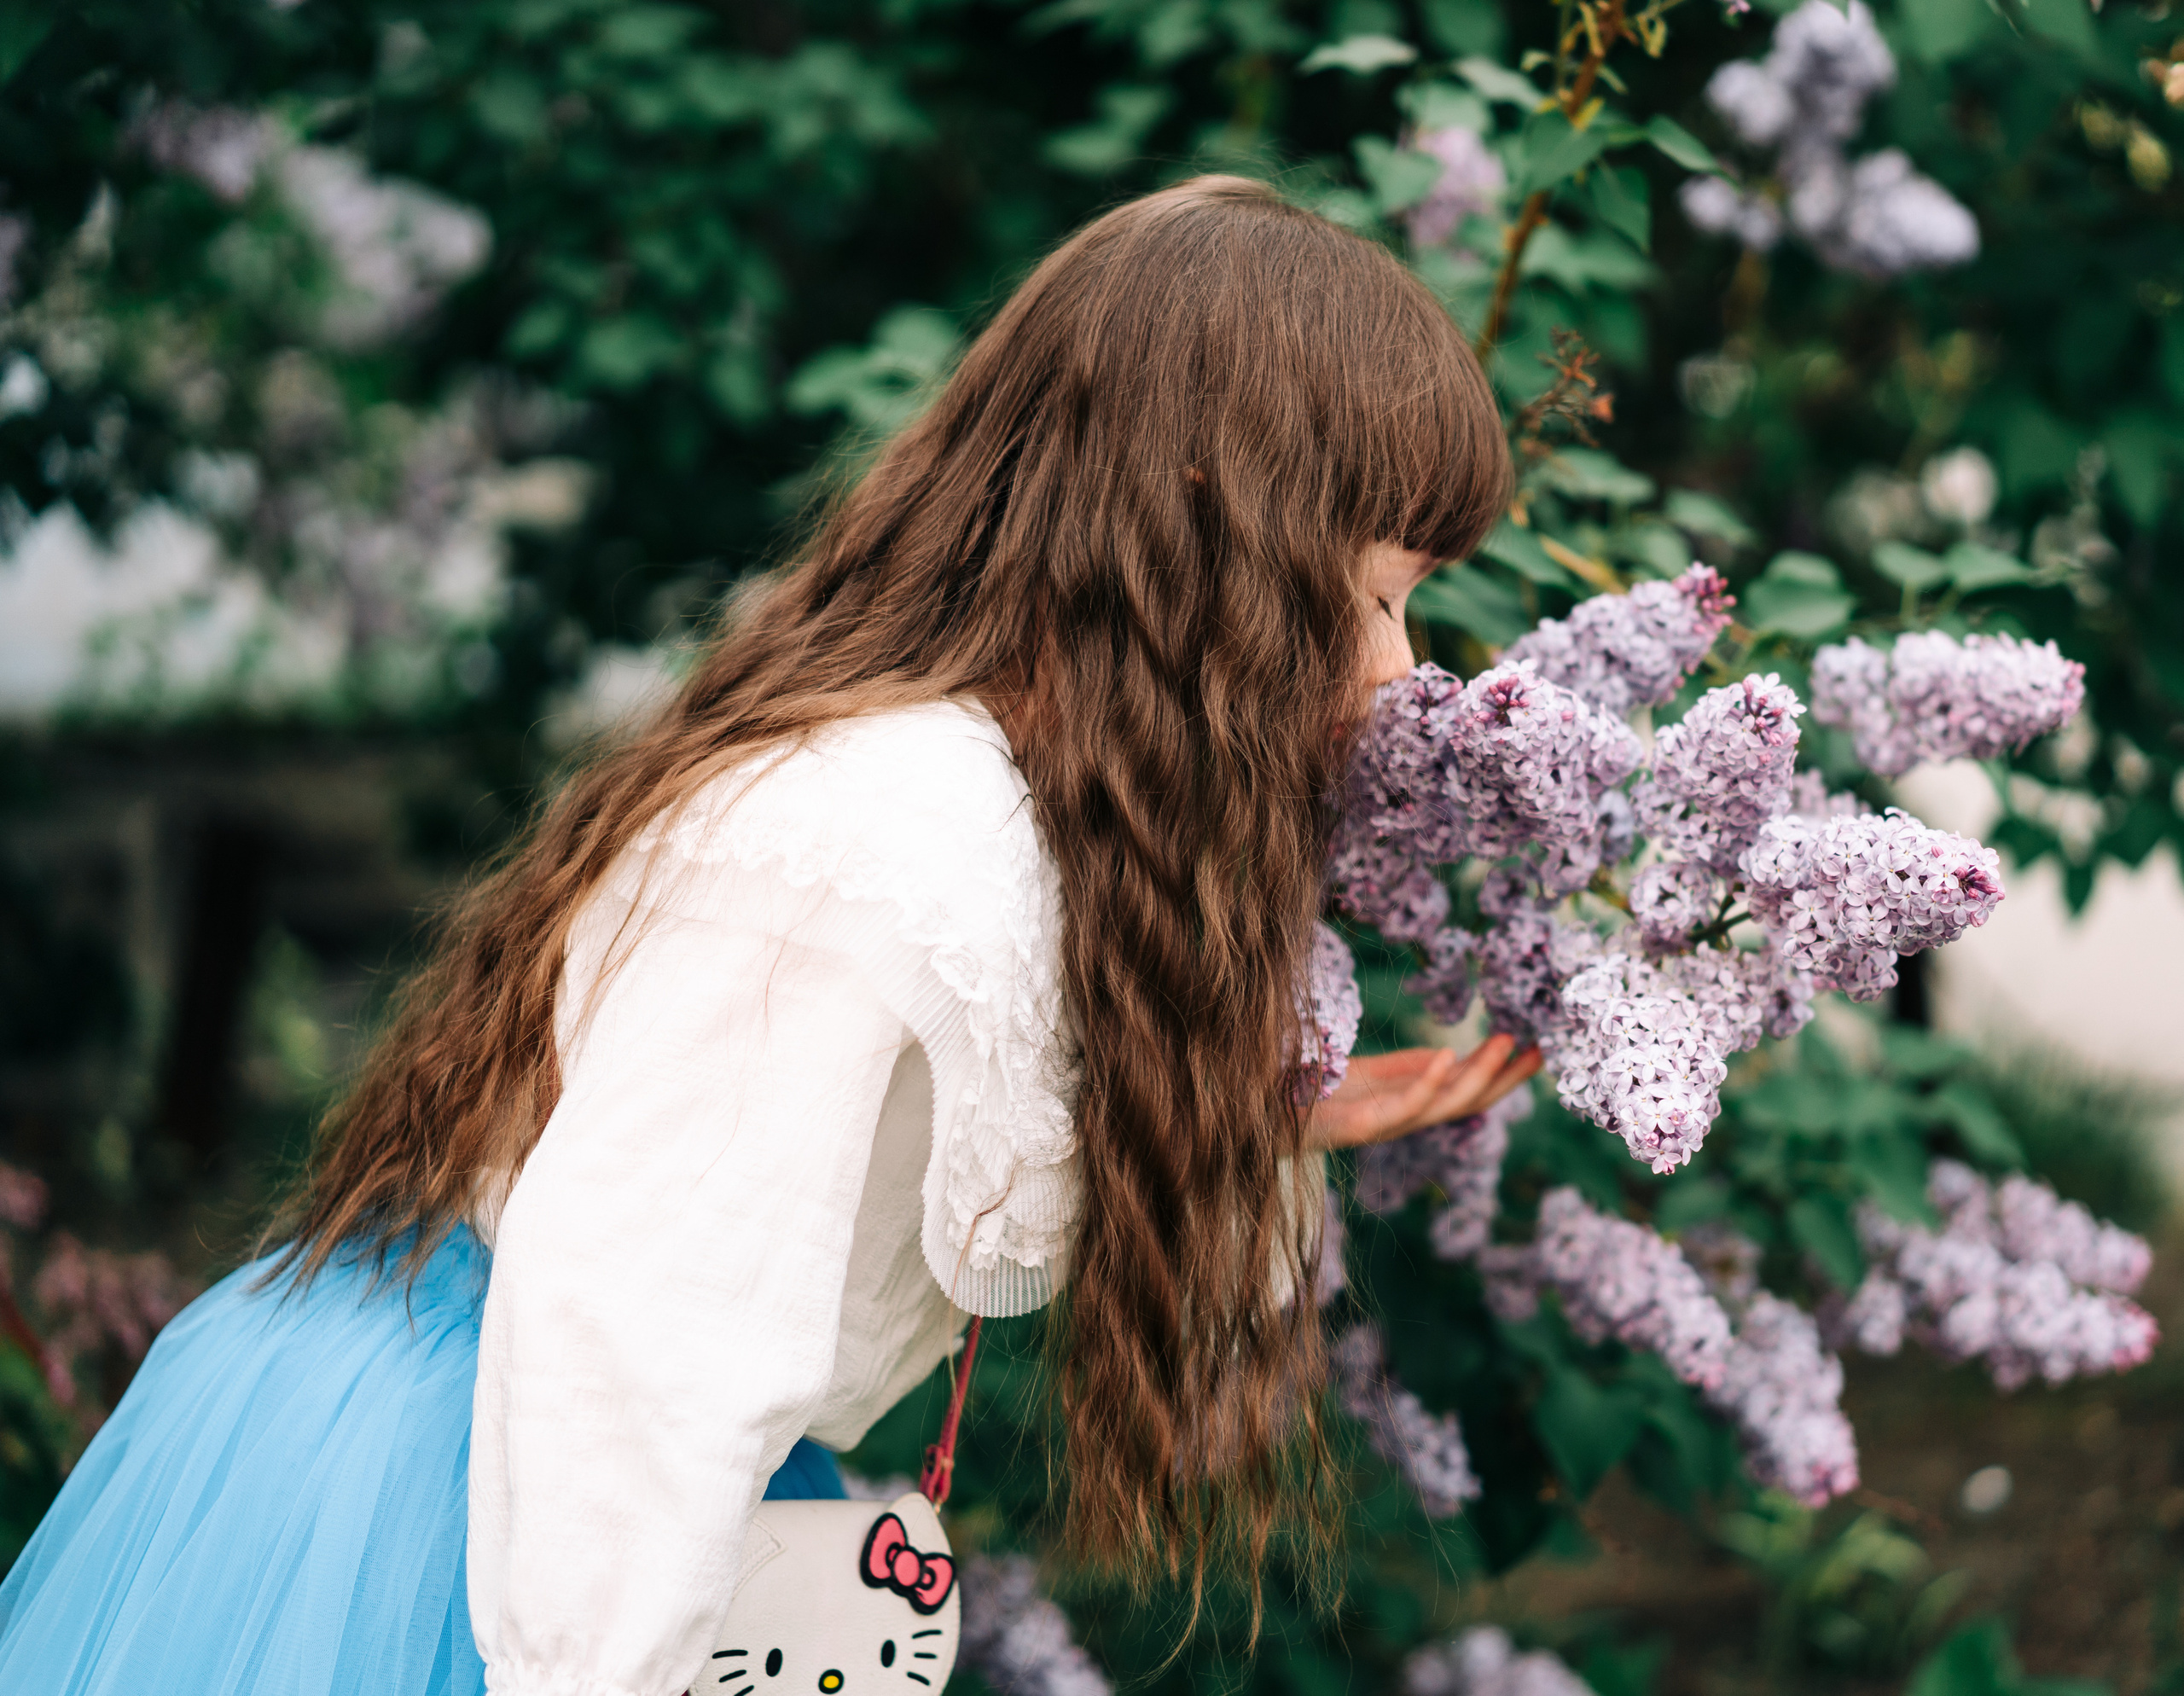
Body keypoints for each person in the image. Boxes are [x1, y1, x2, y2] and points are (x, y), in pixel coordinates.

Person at [0, 175, 1538, 1696]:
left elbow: (891, 1146)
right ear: (1217, 533)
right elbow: (643, 1333)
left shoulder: (989, 799)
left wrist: (1248, 1107)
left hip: (577, 1488)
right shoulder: (880, 833)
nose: (1405, 669)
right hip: (499, 1518)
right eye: (1383, 598)